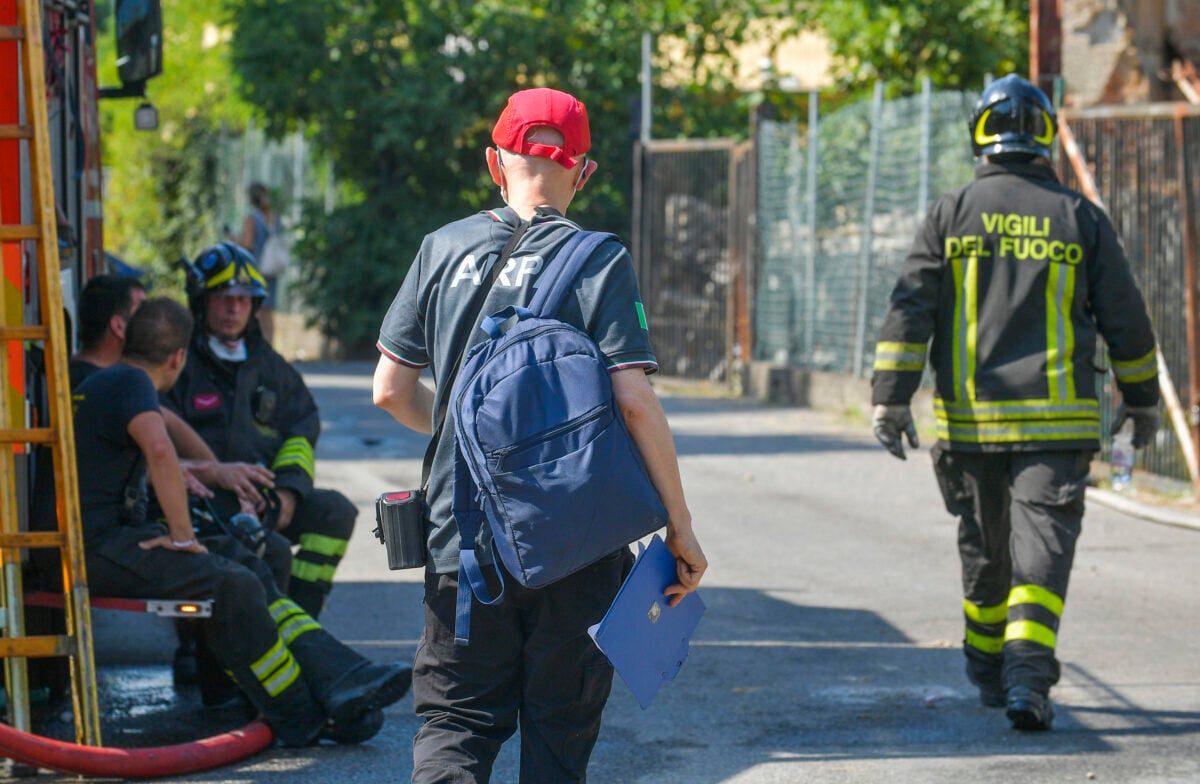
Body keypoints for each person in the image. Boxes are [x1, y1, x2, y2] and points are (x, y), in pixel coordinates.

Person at [372, 87, 707, 782]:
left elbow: (389, 391)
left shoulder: (443, 247)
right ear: (583, 171)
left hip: (459, 537)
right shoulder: (599, 258)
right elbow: (635, 401)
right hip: (576, 539)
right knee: (559, 731)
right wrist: (679, 527)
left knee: (455, 723)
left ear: (495, 163)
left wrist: (465, 441)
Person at [869, 74, 1160, 731]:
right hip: (1057, 432)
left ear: (979, 131)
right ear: (1046, 135)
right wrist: (1142, 405)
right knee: (1040, 559)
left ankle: (989, 668)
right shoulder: (1080, 217)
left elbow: (909, 310)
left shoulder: (952, 213)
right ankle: (1028, 681)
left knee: (985, 552)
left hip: (972, 428)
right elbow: (1128, 323)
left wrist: (890, 402)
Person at [73, 298, 412, 745]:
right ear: (178, 357)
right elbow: (159, 450)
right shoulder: (131, 382)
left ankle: (337, 678)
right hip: (98, 547)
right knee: (234, 583)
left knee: (243, 559)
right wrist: (181, 536)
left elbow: (168, 431)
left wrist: (207, 475)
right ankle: (300, 714)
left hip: (112, 540)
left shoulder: (115, 380)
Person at [163, 242, 357, 619]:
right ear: (201, 301)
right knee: (271, 552)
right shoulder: (178, 365)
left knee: (334, 511)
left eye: (243, 298)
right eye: (222, 297)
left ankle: (303, 621)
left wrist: (288, 494)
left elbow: (302, 431)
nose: (234, 308)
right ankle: (197, 651)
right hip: (202, 503)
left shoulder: (270, 367)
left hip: (265, 500)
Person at [231, 183, 281, 342]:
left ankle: (257, 347)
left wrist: (233, 239)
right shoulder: (274, 218)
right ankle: (269, 347)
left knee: (256, 310)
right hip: (272, 268)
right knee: (268, 312)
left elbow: (247, 244)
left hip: (255, 269)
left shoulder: (252, 218)